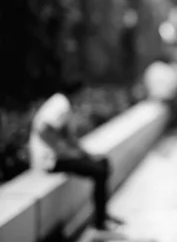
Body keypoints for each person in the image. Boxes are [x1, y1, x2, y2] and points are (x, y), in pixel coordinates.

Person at [29, 82, 122, 232]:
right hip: (49, 160)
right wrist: (66, 152)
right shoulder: (60, 104)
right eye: (83, 94)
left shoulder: (63, 104)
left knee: (103, 162)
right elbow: (44, 131)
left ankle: (102, 215)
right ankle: (99, 223)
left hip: (57, 157)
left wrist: (88, 155)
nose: (84, 98)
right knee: (99, 171)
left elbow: (69, 137)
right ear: (76, 92)